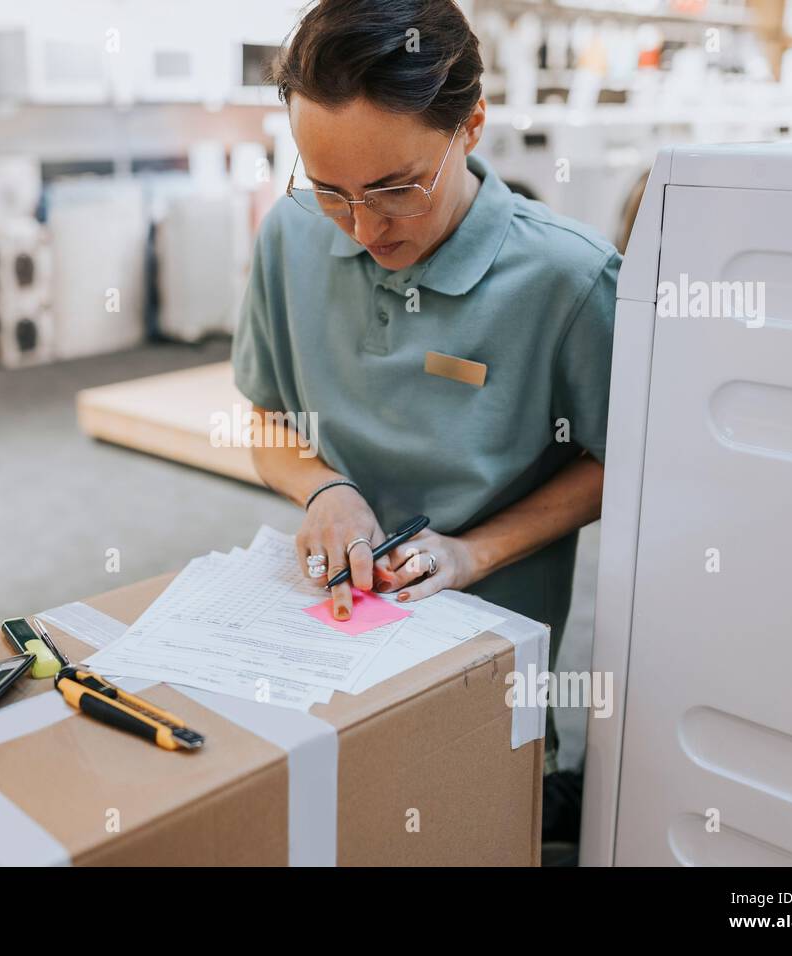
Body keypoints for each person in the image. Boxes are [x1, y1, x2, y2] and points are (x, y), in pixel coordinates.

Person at [231, 0, 621, 843]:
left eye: (394, 189)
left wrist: (473, 551)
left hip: (483, 657)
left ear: (471, 126)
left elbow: (620, 462)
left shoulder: (569, 280)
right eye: (332, 192)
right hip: (323, 639)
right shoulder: (289, 238)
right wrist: (324, 489)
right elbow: (265, 416)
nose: (366, 229)